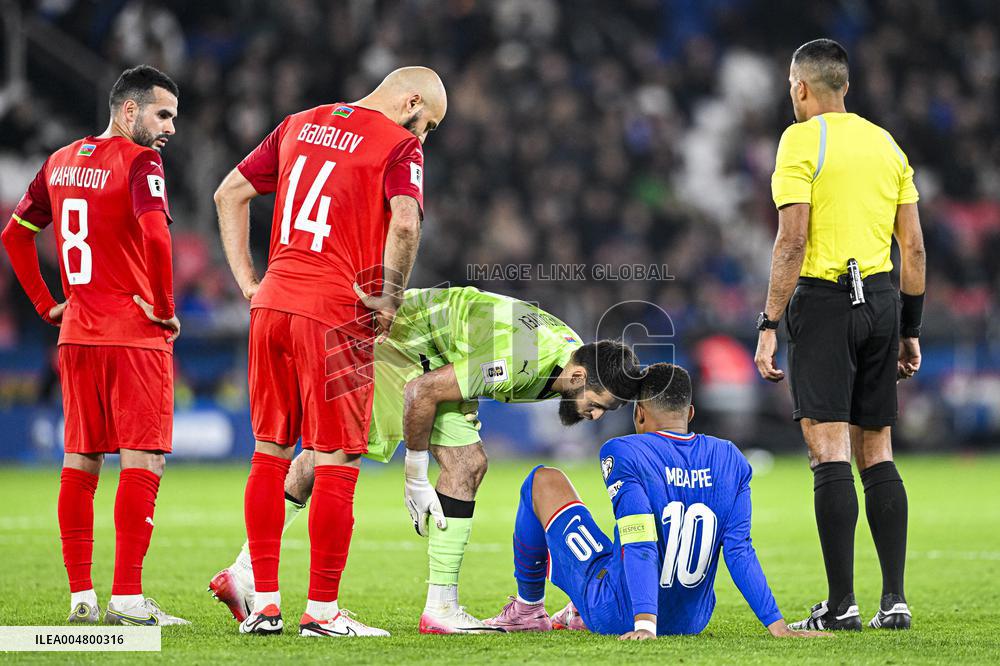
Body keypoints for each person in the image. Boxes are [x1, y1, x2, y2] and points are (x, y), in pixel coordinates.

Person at [209, 285, 642, 634]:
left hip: (437, 348)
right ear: (579, 375)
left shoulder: (571, 353)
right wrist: (415, 475)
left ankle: (245, 572)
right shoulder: (522, 359)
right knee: (340, 454)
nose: (595, 415)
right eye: (597, 404)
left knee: (460, 463)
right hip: (395, 343)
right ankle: (430, 609)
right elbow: (423, 391)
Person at [213, 66, 446, 638]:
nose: (424, 137)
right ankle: (321, 612)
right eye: (428, 124)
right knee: (337, 459)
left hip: (272, 305)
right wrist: (390, 295)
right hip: (336, 313)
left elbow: (229, 193)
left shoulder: (299, 123)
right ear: (411, 101)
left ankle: (264, 606)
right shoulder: (399, 146)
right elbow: (406, 224)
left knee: (269, 453)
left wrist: (248, 281)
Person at [1, 65, 186, 626]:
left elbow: (14, 235)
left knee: (80, 461)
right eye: (162, 114)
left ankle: (81, 597)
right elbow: (156, 235)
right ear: (129, 110)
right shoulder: (141, 162)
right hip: (134, 335)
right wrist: (165, 306)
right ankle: (126, 599)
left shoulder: (59, 162)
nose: (170, 128)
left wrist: (45, 305)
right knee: (143, 459)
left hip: (77, 334)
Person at [753, 39, 925, 631]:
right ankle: (895, 601)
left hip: (826, 302)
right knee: (877, 449)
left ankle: (841, 605)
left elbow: (792, 240)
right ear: (845, 86)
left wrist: (768, 323)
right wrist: (910, 328)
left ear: (800, 87)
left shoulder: (801, 140)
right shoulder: (887, 144)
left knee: (829, 450)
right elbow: (914, 248)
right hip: (882, 301)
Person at [482, 363, 829, 640]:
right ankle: (577, 611)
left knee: (542, 480)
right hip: (691, 621)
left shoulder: (624, 451)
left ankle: (528, 611)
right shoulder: (731, 457)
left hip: (621, 612)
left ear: (639, 414)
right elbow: (740, 550)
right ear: (689, 413)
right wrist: (777, 625)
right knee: (613, 548)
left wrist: (645, 624)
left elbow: (640, 541)